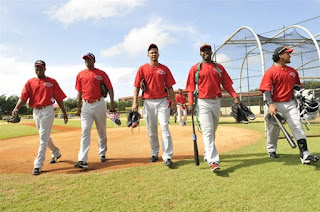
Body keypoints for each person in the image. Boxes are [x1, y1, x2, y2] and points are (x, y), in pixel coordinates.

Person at [186, 44, 241, 172]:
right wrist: (190, 102)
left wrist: (235, 96)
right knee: (208, 130)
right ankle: (213, 161)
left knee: (213, 129)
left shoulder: (219, 68)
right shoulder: (195, 68)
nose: (206, 53)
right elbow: (190, 87)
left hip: (216, 101)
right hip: (202, 102)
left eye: (208, 51)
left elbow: (226, 84)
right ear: (200, 54)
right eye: (203, 51)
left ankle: (207, 151)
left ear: (211, 52)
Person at [259, 46, 319, 164]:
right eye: (288, 53)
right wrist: (271, 105)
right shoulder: (270, 72)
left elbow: (297, 87)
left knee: (297, 126)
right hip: (275, 104)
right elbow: (266, 90)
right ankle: (271, 149)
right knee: (273, 129)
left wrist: (301, 96)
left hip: (290, 103)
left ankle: (305, 154)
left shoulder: (292, 71)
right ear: (281, 56)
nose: (290, 55)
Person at [12, 60, 68, 175]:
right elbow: (23, 98)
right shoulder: (30, 82)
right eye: (36, 68)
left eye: (40, 68)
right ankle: (56, 152)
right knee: (44, 136)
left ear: (45, 69)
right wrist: (16, 108)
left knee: (43, 137)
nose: (38, 70)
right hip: (35, 111)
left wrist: (64, 112)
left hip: (47, 109)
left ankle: (38, 164)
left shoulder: (52, 82)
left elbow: (59, 98)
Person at [132, 44, 177, 166]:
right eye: (151, 52)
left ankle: (167, 156)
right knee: (151, 129)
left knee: (164, 127)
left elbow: (170, 87)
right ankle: (154, 152)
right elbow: (136, 86)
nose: (154, 54)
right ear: (148, 55)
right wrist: (135, 102)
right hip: (148, 102)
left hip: (162, 101)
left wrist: (173, 102)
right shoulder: (142, 69)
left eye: (156, 52)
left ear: (158, 54)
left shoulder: (164, 69)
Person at [74, 53, 115, 169]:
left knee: (101, 130)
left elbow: (110, 88)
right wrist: (78, 106)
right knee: (85, 131)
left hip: (99, 103)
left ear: (94, 61)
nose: (87, 61)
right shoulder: (80, 74)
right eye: (85, 59)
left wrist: (112, 102)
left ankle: (102, 152)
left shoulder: (101, 74)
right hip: (86, 105)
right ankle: (82, 160)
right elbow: (79, 92)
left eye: (89, 59)